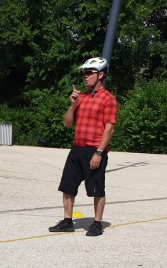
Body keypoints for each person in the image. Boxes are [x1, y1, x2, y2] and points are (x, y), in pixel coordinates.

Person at [48, 57, 117, 236]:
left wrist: (99, 152)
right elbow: (67, 123)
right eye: (84, 73)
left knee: (96, 188)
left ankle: (96, 223)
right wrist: (72, 105)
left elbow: (109, 128)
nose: (85, 77)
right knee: (67, 186)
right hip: (77, 148)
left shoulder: (108, 99)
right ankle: (67, 221)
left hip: (94, 150)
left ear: (100, 74)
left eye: (89, 73)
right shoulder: (81, 98)